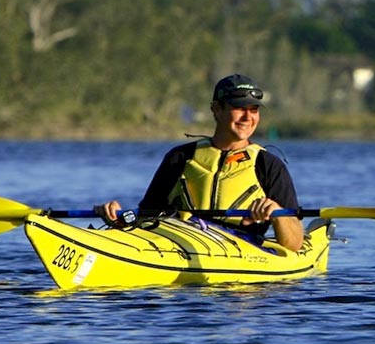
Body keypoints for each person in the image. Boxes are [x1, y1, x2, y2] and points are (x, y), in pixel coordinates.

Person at [95, 74, 303, 252]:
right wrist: (119, 218)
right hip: (181, 244)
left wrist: (277, 213)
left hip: (242, 251)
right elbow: (146, 218)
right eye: (238, 108)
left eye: (254, 110)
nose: (247, 117)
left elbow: (294, 244)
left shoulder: (268, 165)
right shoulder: (180, 158)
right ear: (216, 109)